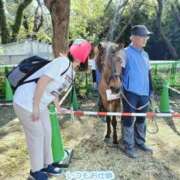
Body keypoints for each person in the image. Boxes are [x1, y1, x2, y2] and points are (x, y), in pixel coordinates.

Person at [13, 39, 92, 180]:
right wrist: (36, 107)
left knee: (47, 133)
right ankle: (35, 171)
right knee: (37, 135)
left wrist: (57, 106)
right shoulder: (62, 62)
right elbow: (42, 82)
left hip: (40, 103)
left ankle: (47, 164)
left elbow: (54, 90)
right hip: (25, 102)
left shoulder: (71, 71)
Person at [119, 25, 153, 158]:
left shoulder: (146, 54)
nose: (146, 39)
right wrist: (120, 89)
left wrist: (151, 90)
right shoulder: (124, 52)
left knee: (141, 118)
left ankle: (140, 142)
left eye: (146, 37)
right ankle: (128, 145)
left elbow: (148, 73)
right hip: (130, 92)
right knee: (128, 118)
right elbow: (119, 72)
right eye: (143, 36)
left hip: (144, 92)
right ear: (134, 38)